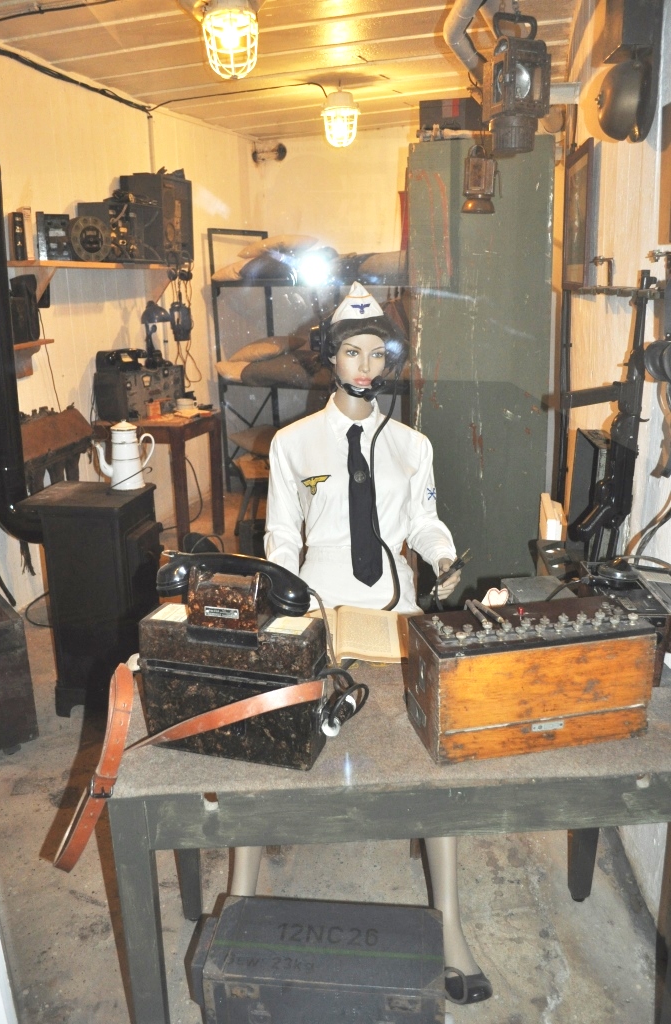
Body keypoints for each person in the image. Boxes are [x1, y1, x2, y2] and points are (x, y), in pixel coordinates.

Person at [230, 282, 492, 1005]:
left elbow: (425, 523)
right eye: (354, 351)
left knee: (434, 757)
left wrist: (442, 558)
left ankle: (453, 927)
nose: (367, 366)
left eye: (379, 353)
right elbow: (282, 538)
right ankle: (239, 901)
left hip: (394, 612)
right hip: (319, 609)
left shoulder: (411, 445)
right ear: (330, 357)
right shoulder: (292, 444)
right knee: (265, 740)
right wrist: (279, 610)